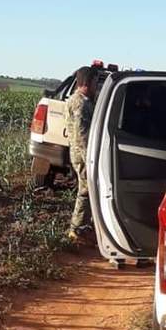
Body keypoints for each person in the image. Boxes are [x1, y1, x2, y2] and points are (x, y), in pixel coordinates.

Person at [64, 65, 98, 243]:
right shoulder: (81, 103)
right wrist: (90, 160)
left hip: (78, 153)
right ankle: (76, 229)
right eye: (95, 83)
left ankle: (83, 227)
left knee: (87, 190)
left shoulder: (78, 100)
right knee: (85, 191)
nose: (96, 87)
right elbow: (82, 135)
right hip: (82, 154)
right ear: (88, 82)